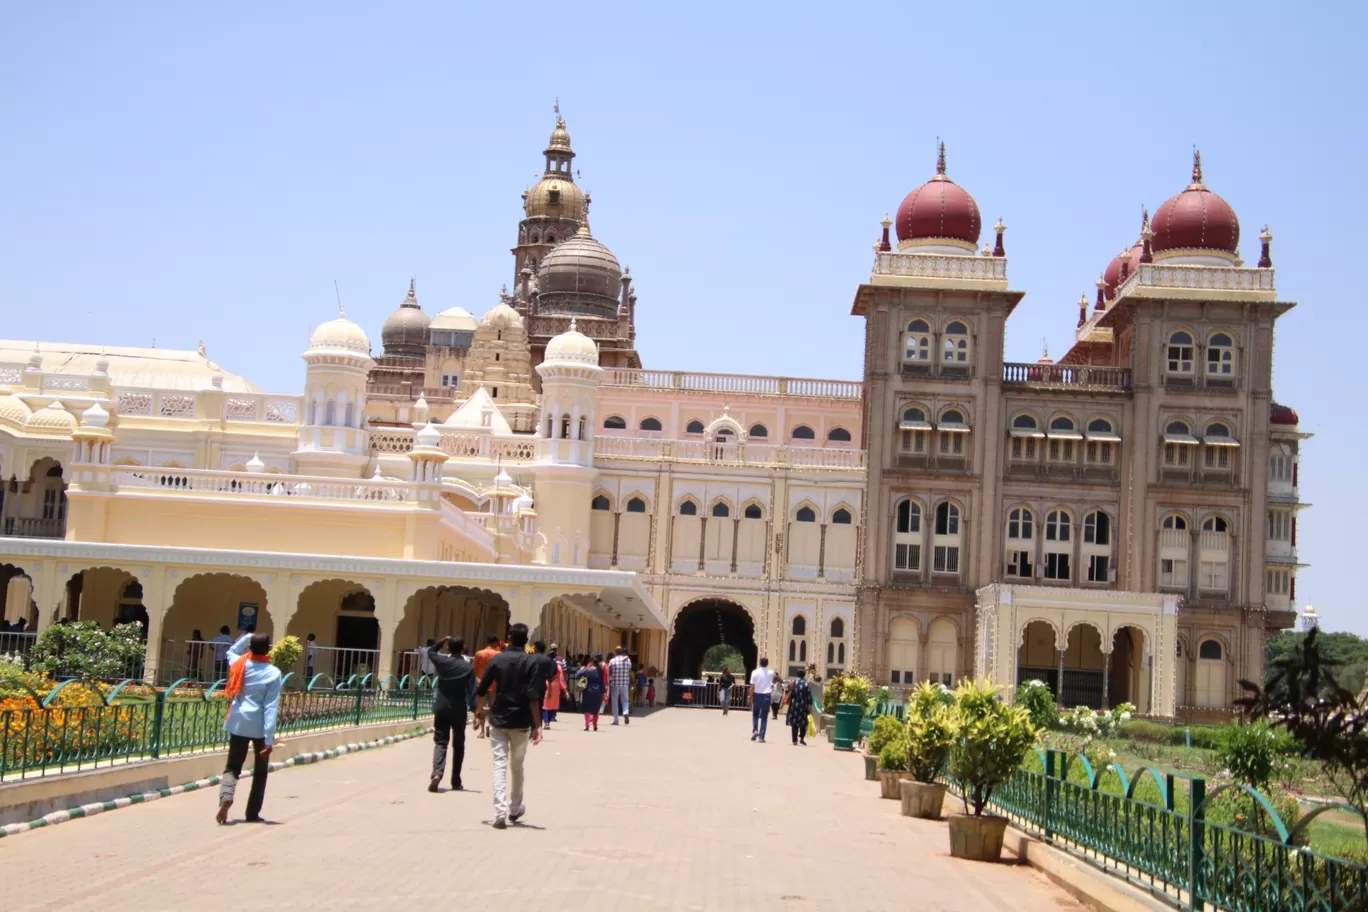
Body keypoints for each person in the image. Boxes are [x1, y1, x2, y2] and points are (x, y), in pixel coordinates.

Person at [474, 623, 544, 829]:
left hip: (499, 719)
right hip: (522, 722)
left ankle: (499, 813)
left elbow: (482, 688)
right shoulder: (530, 663)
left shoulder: (498, 660)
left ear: (509, 638)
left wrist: (479, 713)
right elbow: (533, 696)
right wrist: (537, 725)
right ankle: (515, 807)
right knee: (517, 766)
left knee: (499, 765)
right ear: (526, 640)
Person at [215, 631, 283, 824]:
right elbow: (270, 707)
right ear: (268, 649)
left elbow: (232, 649)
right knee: (260, 772)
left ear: (250, 648)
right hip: (259, 726)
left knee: (232, 767)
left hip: (238, 721)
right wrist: (269, 740)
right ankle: (252, 814)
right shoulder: (273, 673)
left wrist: (249, 636)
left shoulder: (239, 663)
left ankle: (226, 798)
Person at [427, 635, 476, 792]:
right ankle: (456, 780)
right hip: (458, 709)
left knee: (441, 742)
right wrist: (476, 712)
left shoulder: (443, 662)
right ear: (462, 649)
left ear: (448, 647)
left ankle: (437, 773)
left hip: (441, 707)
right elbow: (472, 693)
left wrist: (442, 640)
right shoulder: (467, 668)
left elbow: (431, 651)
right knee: (458, 744)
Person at [472, 634, 502, 739]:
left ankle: (482, 731)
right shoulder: (499, 654)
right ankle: (490, 727)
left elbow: (474, 669)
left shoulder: (479, 654)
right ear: (495, 643)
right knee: (493, 707)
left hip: (481, 683)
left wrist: (477, 680)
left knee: (480, 707)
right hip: (495, 684)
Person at [575, 653, 606, 731]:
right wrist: (603, 692)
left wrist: (581, 669)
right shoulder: (600, 671)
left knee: (587, 708)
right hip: (598, 691)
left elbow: (577, 675)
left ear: (591, 663)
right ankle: (595, 725)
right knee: (596, 709)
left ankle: (587, 725)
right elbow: (602, 682)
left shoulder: (587, 670)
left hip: (588, 690)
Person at [749, 657, 777, 743]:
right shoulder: (771, 672)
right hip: (767, 696)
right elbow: (776, 678)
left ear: (759, 663)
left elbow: (752, 687)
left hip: (757, 695)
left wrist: (750, 697)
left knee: (755, 714)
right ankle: (761, 736)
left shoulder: (755, 672)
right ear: (767, 663)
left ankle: (755, 730)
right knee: (764, 717)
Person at [540, 644, 567, 728]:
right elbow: (561, 678)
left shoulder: (543, 664)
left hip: (545, 683)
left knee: (545, 704)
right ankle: (549, 720)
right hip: (555, 685)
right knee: (553, 704)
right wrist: (565, 690)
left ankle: (546, 722)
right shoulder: (558, 666)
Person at [784, 668, 813, 746]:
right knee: (803, 723)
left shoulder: (793, 683)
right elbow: (810, 697)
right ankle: (802, 738)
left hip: (794, 705)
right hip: (804, 706)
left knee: (794, 723)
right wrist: (810, 708)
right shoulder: (806, 684)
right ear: (804, 675)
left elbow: (787, 691)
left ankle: (794, 740)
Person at [607, 646, 633, 726]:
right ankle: (625, 712)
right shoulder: (627, 660)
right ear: (622, 651)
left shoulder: (612, 661)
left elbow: (609, 671)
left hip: (615, 683)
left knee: (614, 701)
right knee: (625, 700)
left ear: (616, 652)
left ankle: (616, 720)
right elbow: (629, 669)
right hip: (625, 684)